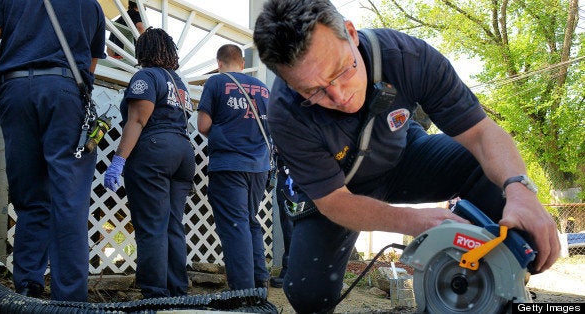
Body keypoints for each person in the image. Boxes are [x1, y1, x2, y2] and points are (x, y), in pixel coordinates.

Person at [253, 0, 560, 312]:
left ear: (350, 33)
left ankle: (491, 278)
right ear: (291, 85)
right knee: (307, 293)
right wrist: (414, 221)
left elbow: (482, 134)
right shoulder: (285, 112)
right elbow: (334, 202)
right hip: (342, 191)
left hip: (403, 157)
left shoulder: (407, 57)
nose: (339, 95)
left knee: (487, 169)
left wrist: (520, 189)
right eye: (313, 91)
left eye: (341, 70)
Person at [0, 0, 106, 301]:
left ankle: (27, 289)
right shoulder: (93, 7)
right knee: (69, 201)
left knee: (30, 198)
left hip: (15, 92)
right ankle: (69, 301)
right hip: (65, 93)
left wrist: (1, 98)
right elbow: (89, 68)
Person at [104, 27, 194, 298]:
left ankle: (155, 293)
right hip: (183, 153)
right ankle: (177, 289)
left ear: (144, 51)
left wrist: (118, 160)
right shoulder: (178, 83)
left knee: (152, 225)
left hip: (154, 151)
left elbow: (138, 120)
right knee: (172, 223)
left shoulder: (145, 77)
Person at [197, 44, 271, 290]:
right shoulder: (263, 89)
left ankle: (242, 291)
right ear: (241, 63)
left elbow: (203, 125)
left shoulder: (216, 83)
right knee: (250, 220)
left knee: (235, 225)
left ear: (219, 63)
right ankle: (259, 281)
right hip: (259, 166)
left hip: (229, 165)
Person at [269, 155, 294, 288]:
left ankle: (290, 272)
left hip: (293, 174)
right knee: (290, 224)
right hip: (292, 173)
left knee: (290, 224)